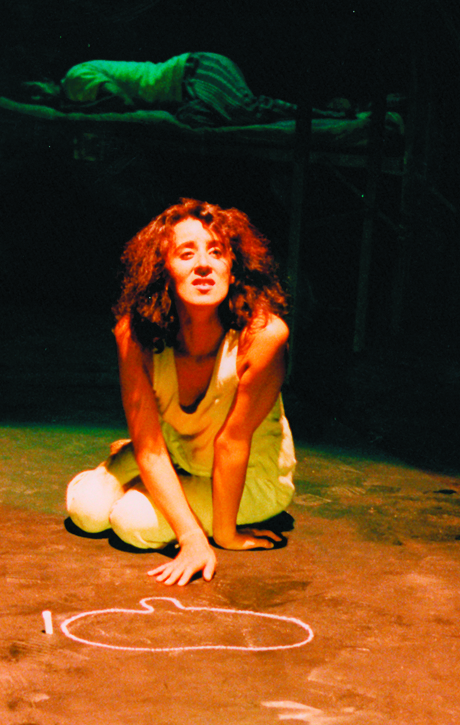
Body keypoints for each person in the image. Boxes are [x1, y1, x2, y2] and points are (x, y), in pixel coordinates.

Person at [66, 199, 296, 586]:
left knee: (131, 521)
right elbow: (150, 445)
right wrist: (189, 534)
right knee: (86, 510)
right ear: (163, 270)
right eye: (186, 253)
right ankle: (154, 476)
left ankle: (156, 486)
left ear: (233, 269)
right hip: (173, 453)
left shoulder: (263, 337)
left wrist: (220, 535)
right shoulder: (134, 334)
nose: (203, 264)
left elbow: (232, 444)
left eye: (216, 252)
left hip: (249, 479)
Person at [57, 53, 301, 126]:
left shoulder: (73, 77)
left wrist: (74, 112)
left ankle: (316, 114)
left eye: (37, 88)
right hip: (190, 81)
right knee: (196, 119)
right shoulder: (75, 84)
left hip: (193, 72)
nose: (38, 95)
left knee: (248, 111)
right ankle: (310, 114)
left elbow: (121, 100)